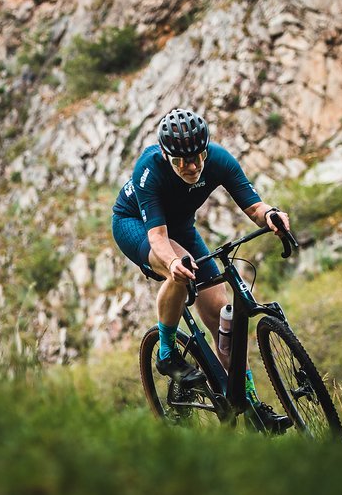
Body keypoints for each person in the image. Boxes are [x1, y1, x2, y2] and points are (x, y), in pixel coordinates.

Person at [112, 107, 293, 432]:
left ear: (206, 148)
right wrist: (172, 263)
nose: (192, 166)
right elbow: (158, 237)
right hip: (137, 227)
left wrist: (271, 216)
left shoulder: (219, 160)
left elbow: (253, 205)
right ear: (166, 156)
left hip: (181, 229)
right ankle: (167, 351)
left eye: (197, 156)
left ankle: (248, 404)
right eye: (181, 161)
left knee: (221, 318)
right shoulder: (149, 170)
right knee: (180, 271)